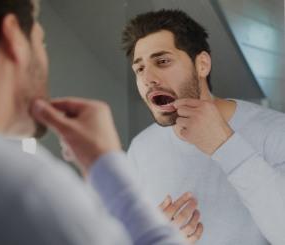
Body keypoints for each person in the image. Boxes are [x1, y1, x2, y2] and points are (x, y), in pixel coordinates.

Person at [0, 1, 187, 244]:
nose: (149, 78)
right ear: (14, 38)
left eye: (162, 61)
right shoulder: (26, 188)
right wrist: (108, 166)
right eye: (42, 41)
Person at [122, 9, 285, 245]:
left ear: (202, 64)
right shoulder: (141, 148)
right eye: (140, 69)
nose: (148, 78)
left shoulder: (276, 132)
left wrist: (225, 145)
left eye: (163, 61)